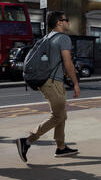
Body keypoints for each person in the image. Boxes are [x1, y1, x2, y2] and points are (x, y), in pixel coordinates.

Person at [16, 11, 80, 163]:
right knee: (59, 116)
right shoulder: (63, 38)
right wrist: (76, 83)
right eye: (67, 20)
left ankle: (61, 147)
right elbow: (68, 63)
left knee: (60, 113)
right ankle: (27, 141)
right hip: (52, 82)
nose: (68, 23)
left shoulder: (47, 37)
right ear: (59, 22)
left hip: (47, 81)